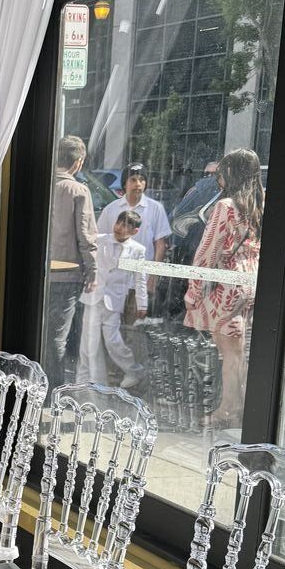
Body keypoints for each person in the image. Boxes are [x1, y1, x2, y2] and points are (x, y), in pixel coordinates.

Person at [183, 147, 263, 429]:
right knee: (239, 352)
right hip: (250, 283)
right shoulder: (256, 206)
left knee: (228, 352)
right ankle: (237, 405)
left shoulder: (226, 206)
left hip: (227, 286)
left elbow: (208, 252)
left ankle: (229, 408)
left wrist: (193, 293)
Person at [76, 207, 147, 389]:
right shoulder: (100, 240)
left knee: (112, 340)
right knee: (88, 341)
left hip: (114, 300)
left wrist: (142, 303)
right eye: (119, 222)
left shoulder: (137, 250)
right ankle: (88, 379)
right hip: (93, 296)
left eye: (125, 226)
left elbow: (140, 279)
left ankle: (134, 370)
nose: (119, 227)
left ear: (134, 231)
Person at [46, 134, 97, 383]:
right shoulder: (78, 190)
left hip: (41, 274)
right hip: (67, 275)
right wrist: (93, 270)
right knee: (57, 337)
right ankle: (51, 393)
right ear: (78, 163)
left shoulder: (42, 185)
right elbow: (85, 236)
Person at [96, 162, 170, 294]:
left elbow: (160, 244)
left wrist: (153, 277)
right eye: (133, 180)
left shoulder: (155, 209)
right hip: (113, 282)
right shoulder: (110, 210)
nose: (138, 184)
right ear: (124, 184)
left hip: (141, 281)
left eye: (142, 180)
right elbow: (99, 243)